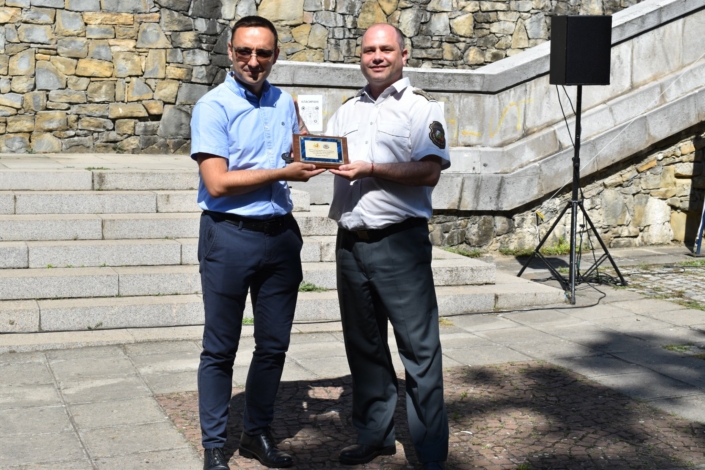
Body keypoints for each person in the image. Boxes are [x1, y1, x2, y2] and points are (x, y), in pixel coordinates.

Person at [190, 15, 324, 470]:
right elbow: (218, 182)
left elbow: (301, 146)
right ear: (230, 52)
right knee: (220, 348)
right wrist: (283, 171)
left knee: (273, 345)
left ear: (275, 55)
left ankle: (256, 434)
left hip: (280, 236)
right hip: (229, 235)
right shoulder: (213, 106)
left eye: (263, 52)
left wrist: (317, 150)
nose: (253, 60)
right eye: (244, 51)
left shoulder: (284, 101)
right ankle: (214, 445)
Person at [325, 23, 451, 470]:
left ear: (403, 54)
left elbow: (430, 171)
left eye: (385, 49)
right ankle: (374, 435)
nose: (376, 56)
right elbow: (326, 156)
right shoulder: (346, 111)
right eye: (369, 50)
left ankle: (430, 454)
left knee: (419, 352)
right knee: (364, 347)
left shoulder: (422, 108)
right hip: (350, 244)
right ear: (360, 56)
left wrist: (372, 168)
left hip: (399, 243)